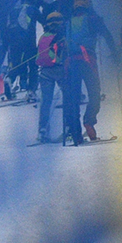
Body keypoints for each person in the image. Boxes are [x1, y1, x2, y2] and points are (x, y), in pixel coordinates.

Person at [67, 0, 118, 139]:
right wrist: (115, 54)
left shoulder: (68, 21)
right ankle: (89, 121)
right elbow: (107, 35)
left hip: (71, 62)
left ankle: (75, 132)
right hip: (88, 60)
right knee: (94, 93)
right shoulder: (93, 19)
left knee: (73, 97)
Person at [34, 10, 83, 145]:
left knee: (46, 102)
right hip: (61, 70)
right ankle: (69, 127)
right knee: (68, 98)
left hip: (45, 72)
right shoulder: (62, 36)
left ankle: (42, 130)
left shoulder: (43, 37)